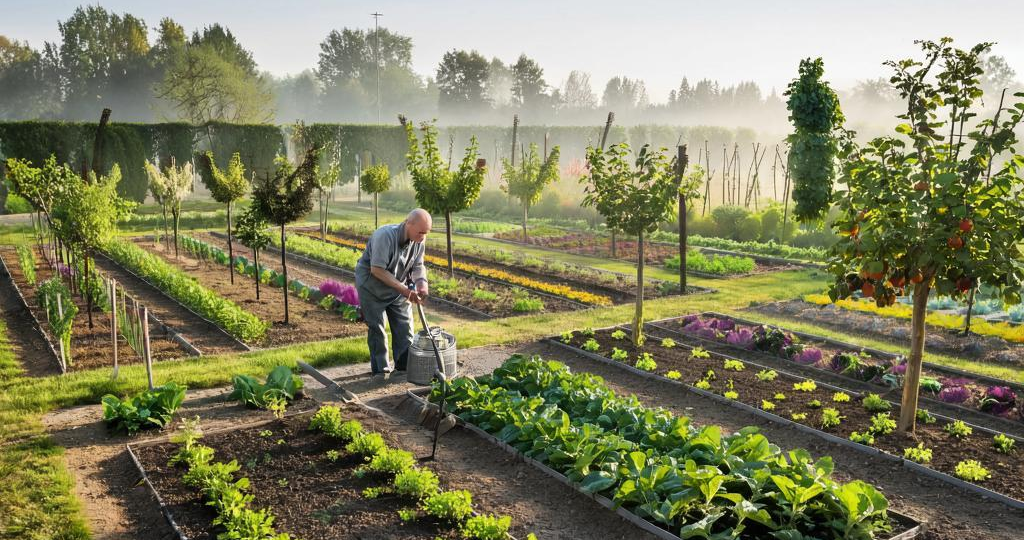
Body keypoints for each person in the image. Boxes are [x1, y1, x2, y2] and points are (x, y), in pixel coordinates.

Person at [354, 208, 431, 376]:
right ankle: (380, 372)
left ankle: (403, 368)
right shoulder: (385, 236)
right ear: (408, 223)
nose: (423, 237)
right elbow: (377, 270)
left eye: (426, 233)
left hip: (397, 287)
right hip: (371, 287)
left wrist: (421, 284)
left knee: (405, 327)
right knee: (377, 329)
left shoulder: (419, 240)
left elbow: (418, 265)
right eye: (420, 232)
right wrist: (404, 290)